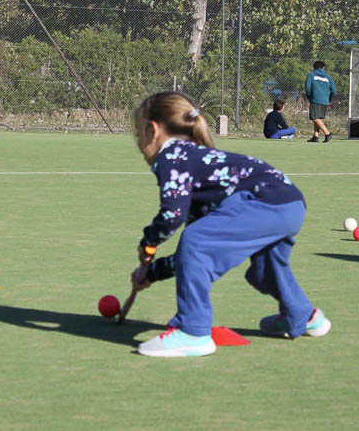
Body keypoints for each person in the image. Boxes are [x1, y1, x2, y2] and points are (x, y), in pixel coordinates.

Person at [129, 91, 330, 358]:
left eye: (138, 134)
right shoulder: (199, 163)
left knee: (196, 241)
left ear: (153, 131)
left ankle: (192, 332)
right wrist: (152, 273)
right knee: (266, 268)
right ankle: (305, 316)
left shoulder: (172, 155)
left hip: (263, 202)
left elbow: (173, 215)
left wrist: (148, 243)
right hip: (289, 202)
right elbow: (189, 259)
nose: (139, 143)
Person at [304, 61, 336, 142]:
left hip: (315, 99)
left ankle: (327, 133)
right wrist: (328, 98)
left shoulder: (311, 75)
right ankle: (315, 137)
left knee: (314, 118)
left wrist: (310, 96)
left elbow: (307, 88)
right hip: (325, 101)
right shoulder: (328, 77)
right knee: (318, 118)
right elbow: (334, 91)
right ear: (323, 68)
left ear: (314, 67)